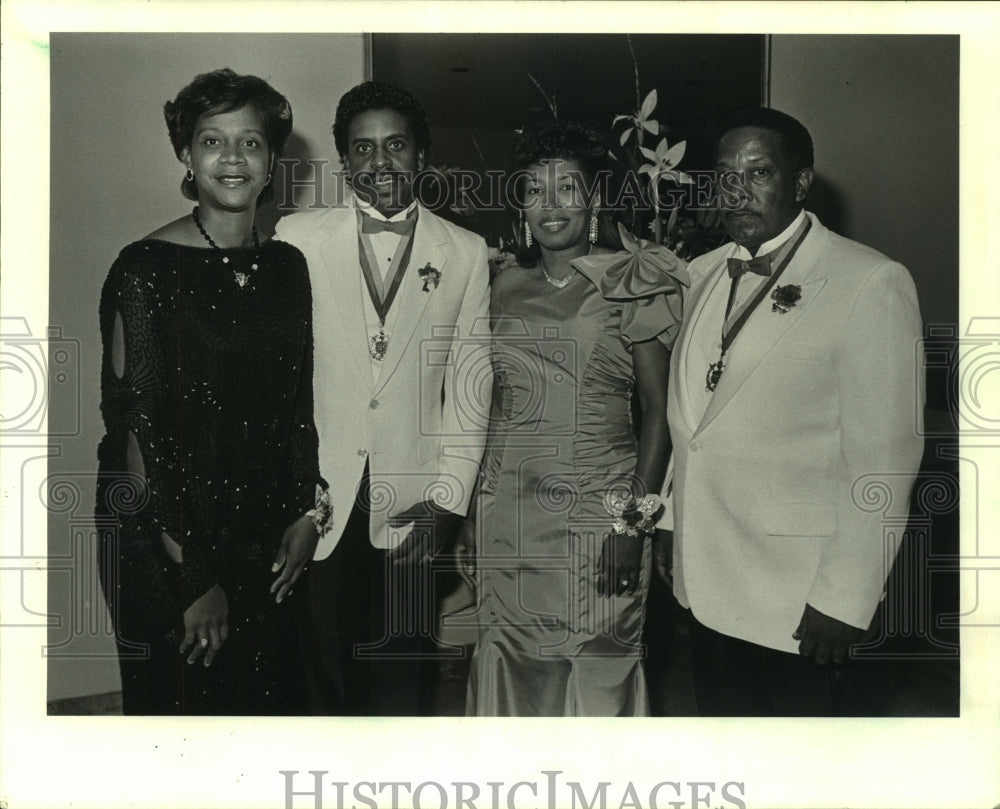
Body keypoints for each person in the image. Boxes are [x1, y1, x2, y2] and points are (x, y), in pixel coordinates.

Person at [661, 107, 924, 716]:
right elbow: (694, 427)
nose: (737, 190)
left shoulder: (868, 281)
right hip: (706, 582)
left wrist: (847, 598)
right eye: (725, 175)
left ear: (800, 184)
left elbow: (883, 461)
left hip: (800, 597)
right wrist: (671, 527)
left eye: (758, 173)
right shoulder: (700, 274)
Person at [96, 68, 323, 715]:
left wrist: (309, 513)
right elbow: (137, 440)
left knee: (268, 709)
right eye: (211, 141)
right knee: (183, 717)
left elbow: (296, 408)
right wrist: (193, 579)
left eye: (249, 142)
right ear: (185, 157)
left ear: (272, 158)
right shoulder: (143, 269)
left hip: (261, 532)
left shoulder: (288, 267)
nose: (231, 158)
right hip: (159, 531)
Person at [274, 81, 492, 715]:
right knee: (321, 673)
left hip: (415, 499)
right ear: (343, 161)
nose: (379, 162)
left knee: (401, 675)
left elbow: (471, 389)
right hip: (318, 496)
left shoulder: (465, 251)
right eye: (362, 149)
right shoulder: (296, 235)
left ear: (421, 154)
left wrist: (450, 501)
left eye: (395, 144)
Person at [462, 121, 687, 716]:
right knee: (510, 657)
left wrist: (632, 525)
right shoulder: (503, 286)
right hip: (508, 513)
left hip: (599, 512)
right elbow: (490, 407)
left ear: (593, 200)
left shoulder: (633, 279)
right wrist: (470, 516)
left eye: (567, 188)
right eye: (534, 190)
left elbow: (659, 410)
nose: (550, 204)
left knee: (597, 660)